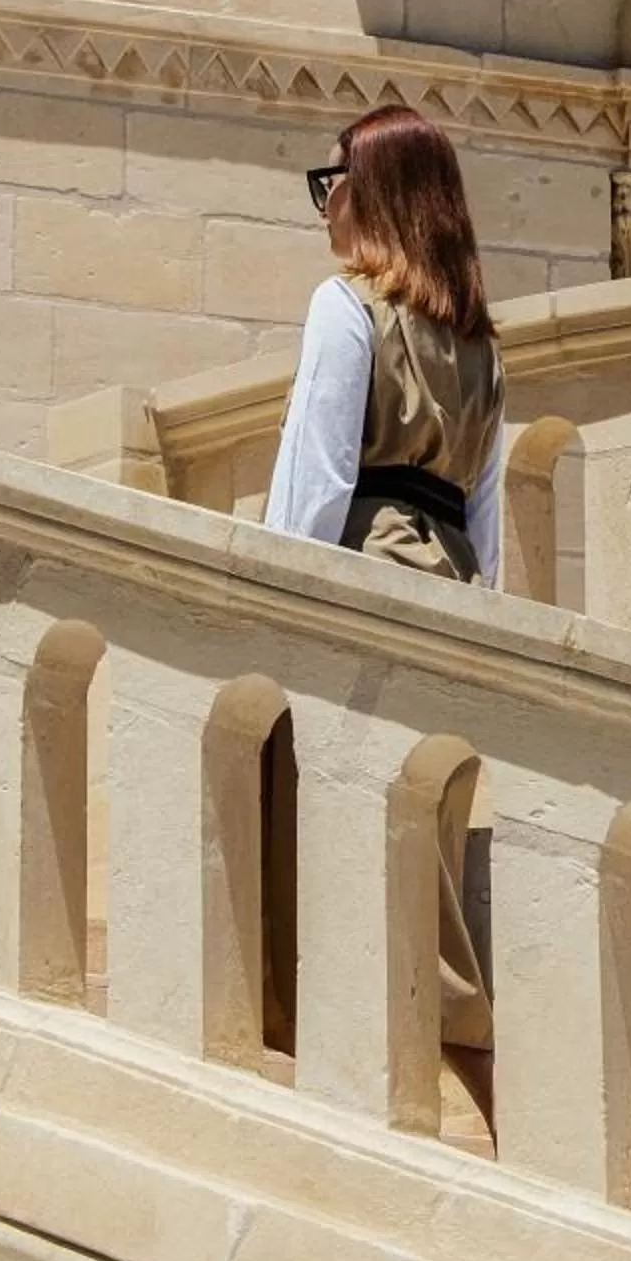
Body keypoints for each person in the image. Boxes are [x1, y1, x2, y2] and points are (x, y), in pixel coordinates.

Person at [262, 102, 503, 1135]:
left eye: (335, 182)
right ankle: (466, 1085)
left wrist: (266, 597)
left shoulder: (347, 305)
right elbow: (484, 516)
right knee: (424, 839)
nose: (327, 206)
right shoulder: (482, 345)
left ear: (376, 192)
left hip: (361, 577)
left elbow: (313, 477)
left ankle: (427, 1068)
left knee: (321, 819)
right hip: (446, 593)